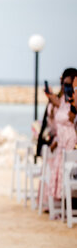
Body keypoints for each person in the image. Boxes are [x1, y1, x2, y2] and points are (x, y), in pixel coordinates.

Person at [43, 68, 77, 212]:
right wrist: (49, 95)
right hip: (61, 142)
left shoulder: (73, 100)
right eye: (63, 83)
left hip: (70, 140)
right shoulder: (63, 100)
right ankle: (64, 206)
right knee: (59, 173)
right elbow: (56, 104)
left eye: (68, 84)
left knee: (69, 173)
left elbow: (71, 118)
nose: (65, 86)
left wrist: (74, 102)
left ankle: (71, 205)